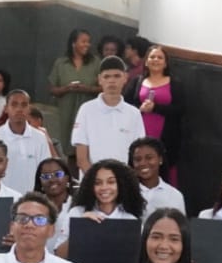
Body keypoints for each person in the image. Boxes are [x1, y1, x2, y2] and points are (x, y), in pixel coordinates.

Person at [71, 56, 144, 175]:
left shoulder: (134, 113)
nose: (111, 81)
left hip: (123, 183)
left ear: (125, 77)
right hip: (91, 183)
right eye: (107, 76)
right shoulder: (86, 110)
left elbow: (138, 154)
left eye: (117, 76)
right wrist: (98, 182)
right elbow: (81, 158)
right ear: (99, 79)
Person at [59, 159, 144, 260]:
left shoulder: (131, 221)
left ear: (121, 184)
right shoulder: (77, 212)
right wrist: (81, 227)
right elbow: (59, 255)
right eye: (97, 183)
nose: (104, 187)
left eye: (111, 182)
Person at [0, 91, 52, 203]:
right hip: (2, 201)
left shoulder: (39, 138)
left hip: (32, 201)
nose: (19, 109)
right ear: (6, 108)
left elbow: (45, 172)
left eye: (24, 105)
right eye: (14, 104)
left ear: (29, 108)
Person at [48, 29, 98, 158]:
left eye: (89, 42)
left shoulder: (96, 63)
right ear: (73, 43)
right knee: (70, 151)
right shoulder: (61, 63)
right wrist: (67, 89)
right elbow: (53, 89)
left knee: (88, 150)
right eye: (83, 41)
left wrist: (88, 89)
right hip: (67, 115)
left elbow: (103, 88)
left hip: (90, 114)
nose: (87, 45)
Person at [134, 45, 181, 182]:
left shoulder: (175, 84)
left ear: (165, 63)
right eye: (152, 57)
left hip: (166, 137)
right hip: (140, 133)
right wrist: (140, 108)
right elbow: (127, 104)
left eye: (160, 57)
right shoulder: (137, 81)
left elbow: (180, 109)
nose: (156, 60)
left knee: (165, 171)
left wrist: (155, 108)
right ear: (146, 61)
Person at [129, 137, 184, 216]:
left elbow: (179, 226)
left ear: (160, 159)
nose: (143, 163)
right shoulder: (125, 194)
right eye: (138, 159)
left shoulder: (175, 195)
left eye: (149, 158)